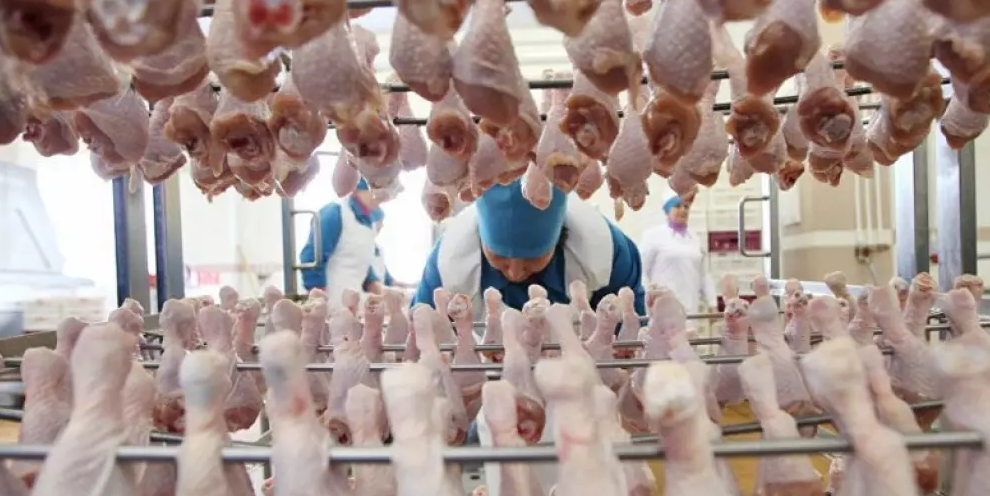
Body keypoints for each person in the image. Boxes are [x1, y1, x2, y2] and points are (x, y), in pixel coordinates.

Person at [411, 178, 647, 318]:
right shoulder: (448, 262)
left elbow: (630, 340)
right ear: (481, 238)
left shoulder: (607, 252)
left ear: (559, 237)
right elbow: (419, 336)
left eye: (532, 258)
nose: (515, 273)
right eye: (499, 257)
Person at [299, 179, 386, 307]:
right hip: (330, 303)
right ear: (357, 189)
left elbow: (362, 264)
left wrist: (382, 293)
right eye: (375, 190)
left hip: (354, 304)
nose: (381, 197)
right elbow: (311, 259)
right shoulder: (335, 213)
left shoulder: (370, 223)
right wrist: (319, 304)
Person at [639, 192, 716, 323]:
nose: (683, 210)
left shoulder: (695, 238)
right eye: (677, 206)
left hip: (690, 310)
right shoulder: (654, 236)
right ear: (667, 210)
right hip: (661, 310)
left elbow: (704, 275)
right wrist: (648, 301)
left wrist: (712, 304)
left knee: (689, 335)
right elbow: (642, 271)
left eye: (686, 206)